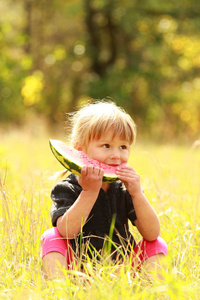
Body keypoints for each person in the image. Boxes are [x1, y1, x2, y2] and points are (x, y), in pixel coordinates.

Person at [41, 101, 167, 279]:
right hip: (79, 270)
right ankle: (59, 291)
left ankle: (155, 292)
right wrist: (89, 192)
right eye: (106, 146)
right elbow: (67, 231)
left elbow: (152, 233)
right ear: (80, 150)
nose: (116, 155)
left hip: (123, 270)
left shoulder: (125, 188)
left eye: (123, 147)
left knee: (156, 244)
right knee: (51, 237)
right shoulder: (67, 188)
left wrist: (137, 194)